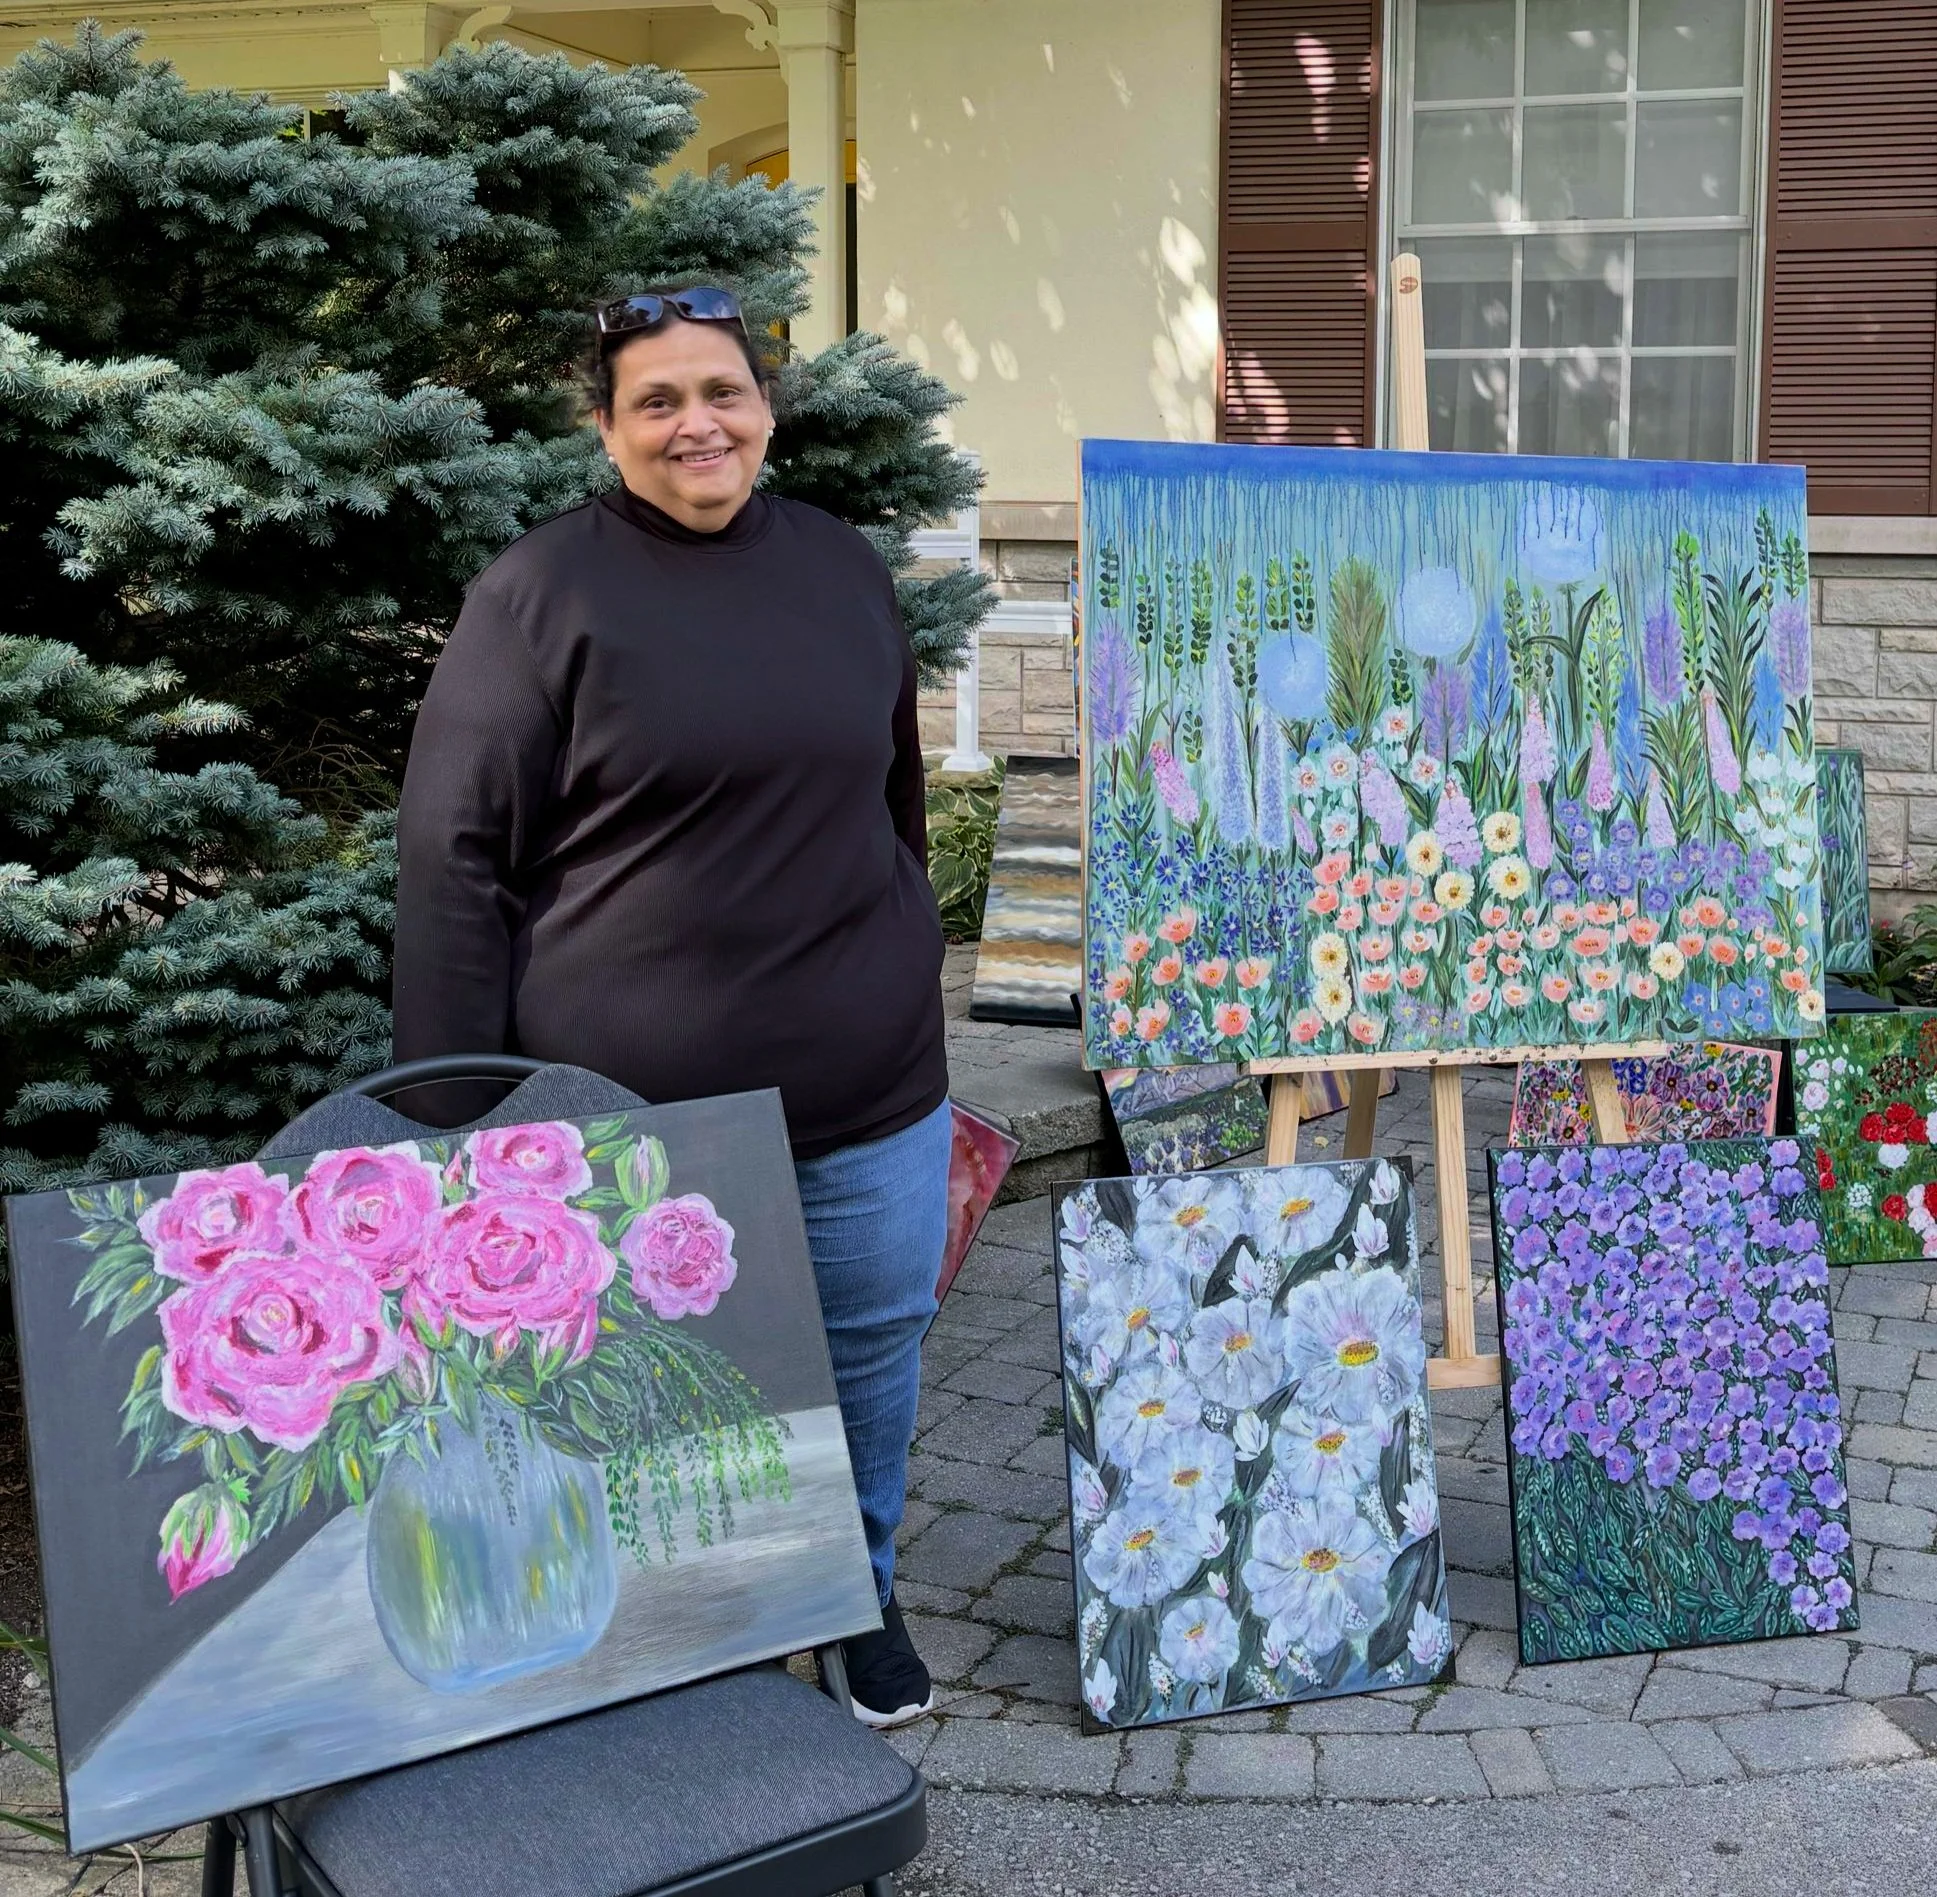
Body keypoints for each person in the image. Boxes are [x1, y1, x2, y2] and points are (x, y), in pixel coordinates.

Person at [390, 285, 949, 1727]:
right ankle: (679, 1631)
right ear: (606, 428)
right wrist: (459, 1122)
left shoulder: (840, 567)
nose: (696, 423)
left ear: (765, 409)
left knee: (871, 1349)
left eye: (722, 392)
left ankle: (858, 1596)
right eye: (657, 401)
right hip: (640, 1117)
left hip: (869, 1084)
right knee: (657, 1389)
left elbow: (893, 794)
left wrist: (907, 960)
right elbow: (454, 855)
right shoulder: (542, 595)